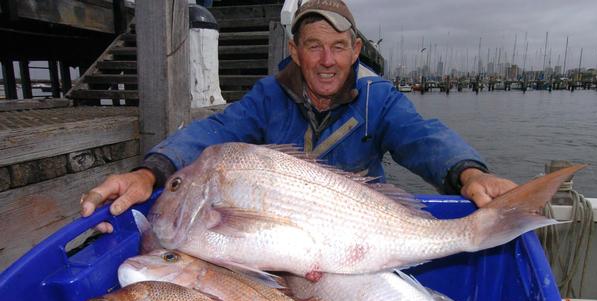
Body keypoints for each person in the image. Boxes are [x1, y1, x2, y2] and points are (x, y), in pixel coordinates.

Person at [81, 0, 516, 233]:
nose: (327, 60)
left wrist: (469, 174)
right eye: (313, 46)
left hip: (359, 230)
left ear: (356, 51)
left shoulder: (379, 99)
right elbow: (214, 133)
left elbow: (423, 139)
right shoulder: (268, 96)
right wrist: (150, 172)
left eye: (339, 46)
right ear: (294, 50)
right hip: (286, 232)